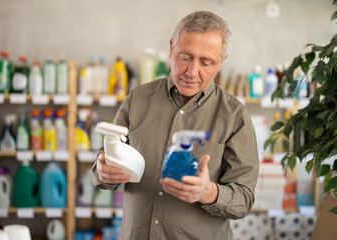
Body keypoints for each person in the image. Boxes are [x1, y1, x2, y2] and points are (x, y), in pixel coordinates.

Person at [91, 11, 259, 240]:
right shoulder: (137, 100)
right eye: (185, 57)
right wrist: (103, 171)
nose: (192, 72)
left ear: (221, 62)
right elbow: (104, 162)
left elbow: (244, 199)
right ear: (171, 48)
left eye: (206, 62)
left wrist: (209, 192)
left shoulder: (234, 116)